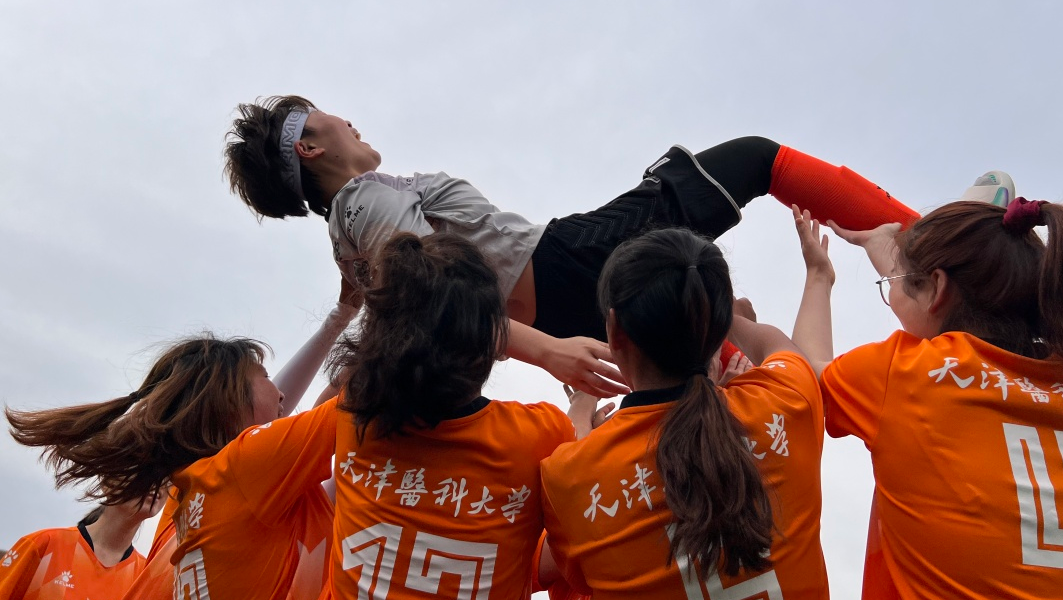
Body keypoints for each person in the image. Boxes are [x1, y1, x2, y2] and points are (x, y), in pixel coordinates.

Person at [224, 95, 918, 397]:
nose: (347, 118)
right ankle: (936, 243)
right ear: (309, 147)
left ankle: (798, 373)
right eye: (328, 117)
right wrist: (543, 352)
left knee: (726, 333)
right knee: (756, 159)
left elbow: (408, 307)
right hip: (566, 266)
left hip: (566, 297)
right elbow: (434, 303)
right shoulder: (364, 201)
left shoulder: (352, 225)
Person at [7, 286, 359, 600]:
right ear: (229, 400)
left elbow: (311, 425)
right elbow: (364, 400)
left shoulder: (186, 498)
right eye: (265, 377)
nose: (281, 395)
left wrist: (343, 313)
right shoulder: (237, 471)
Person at [539, 225, 832, 599]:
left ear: (614, 330)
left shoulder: (569, 476)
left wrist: (581, 410)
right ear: (718, 325)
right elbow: (780, 347)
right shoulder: (787, 402)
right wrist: (732, 319)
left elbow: (554, 570)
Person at [821, 198, 1063, 598]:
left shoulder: (900, 373)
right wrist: (902, 269)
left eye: (895, 283)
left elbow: (801, 372)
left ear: (938, 287)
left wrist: (818, 277)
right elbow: (931, 308)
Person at [328, 232, 575, 598]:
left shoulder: (353, 413)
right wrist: (582, 399)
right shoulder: (539, 433)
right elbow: (580, 479)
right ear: (492, 343)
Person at [0, 496, 162, 600]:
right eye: (146, 468)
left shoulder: (146, 577)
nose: (157, 482)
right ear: (107, 479)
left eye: (167, 476)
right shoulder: (42, 545)